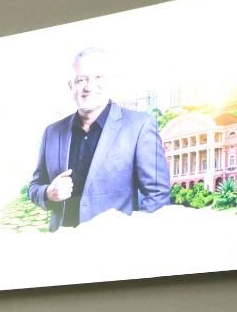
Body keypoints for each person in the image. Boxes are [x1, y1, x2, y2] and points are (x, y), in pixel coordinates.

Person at [27, 46, 170, 232]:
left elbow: (158, 195)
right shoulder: (52, 133)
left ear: (110, 82)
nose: (89, 87)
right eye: (81, 80)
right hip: (60, 244)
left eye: (98, 78)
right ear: (71, 86)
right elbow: (34, 187)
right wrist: (48, 193)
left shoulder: (140, 126)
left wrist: (135, 237)